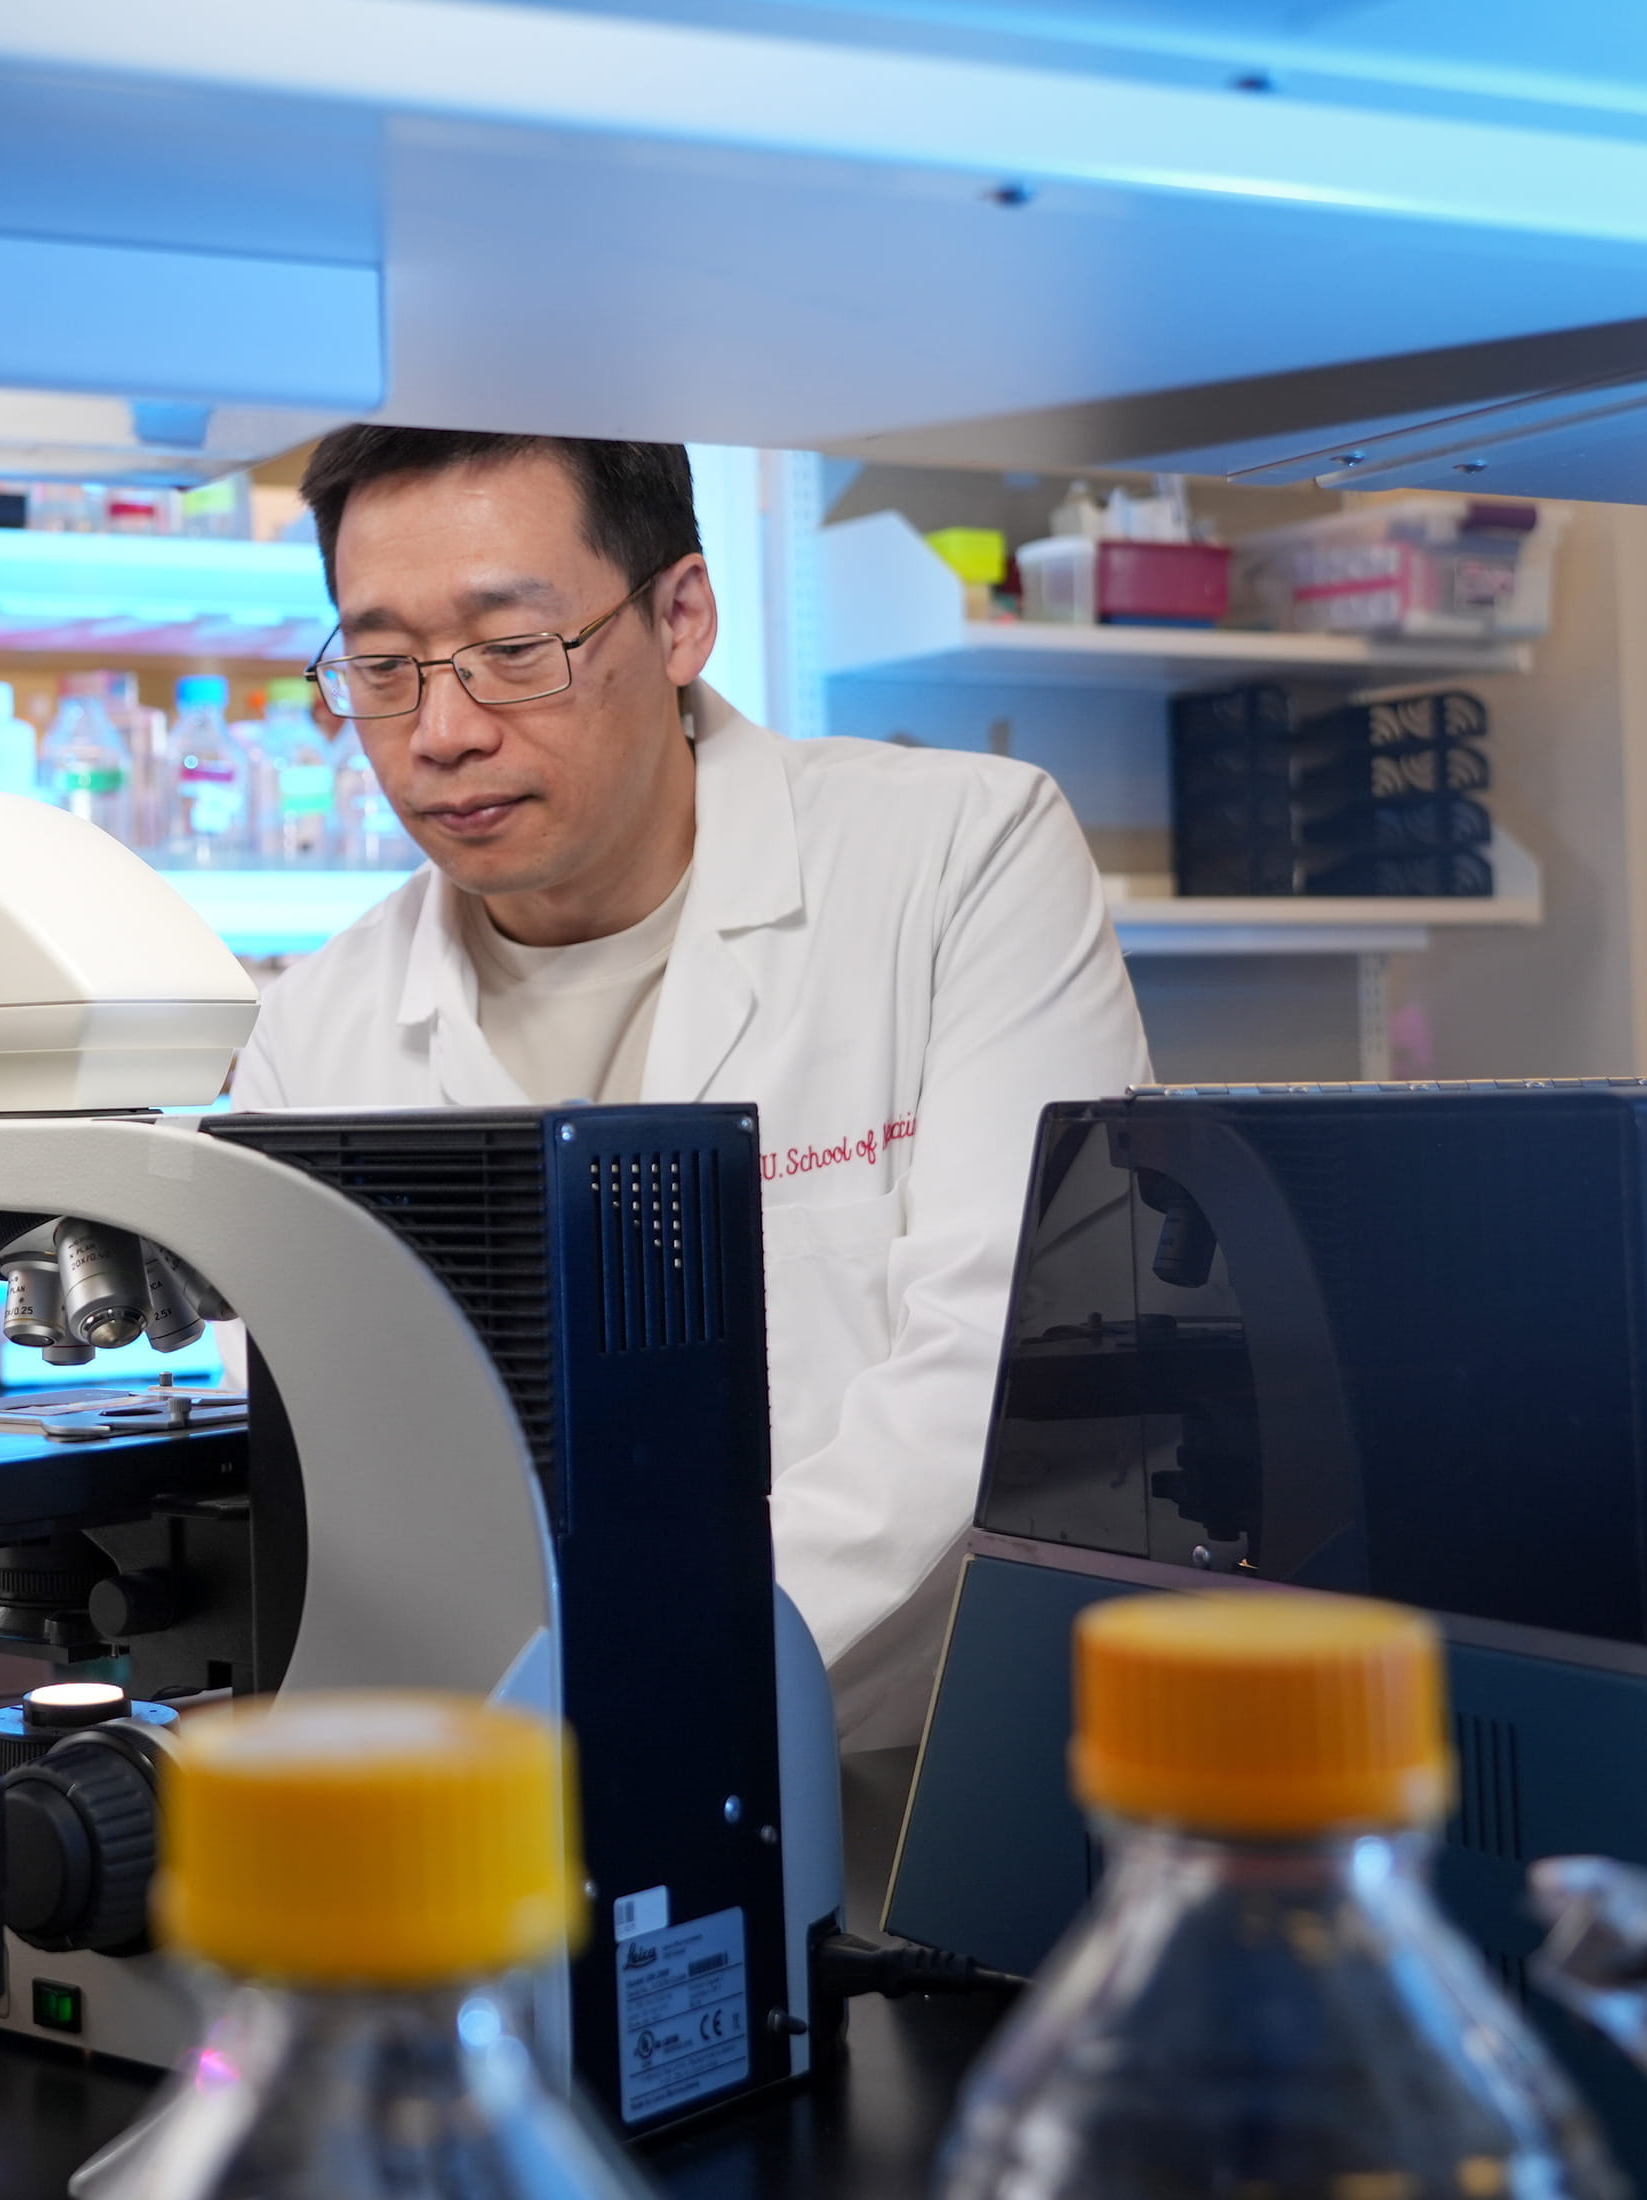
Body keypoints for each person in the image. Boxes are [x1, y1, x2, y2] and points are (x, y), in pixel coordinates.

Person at [232, 428, 1150, 1747]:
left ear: (680, 616)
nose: (440, 732)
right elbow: (334, 1486)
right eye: (383, 669)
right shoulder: (317, 1032)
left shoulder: (959, 856)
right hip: (501, 1803)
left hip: (923, 1787)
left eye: (511, 649)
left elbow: (998, 1367)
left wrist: (611, 1696)